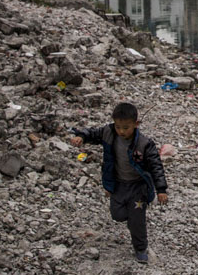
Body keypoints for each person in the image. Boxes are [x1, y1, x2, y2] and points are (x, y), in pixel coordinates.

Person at [71, 102, 168, 263]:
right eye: (118, 127)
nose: (121, 131)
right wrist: (81, 136)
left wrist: (161, 190)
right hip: (118, 184)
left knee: (137, 220)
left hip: (138, 186)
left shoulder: (144, 144)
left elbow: (156, 167)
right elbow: (93, 133)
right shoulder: (109, 133)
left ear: (136, 124)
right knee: (117, 215)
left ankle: (140, 247)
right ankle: (132, 216)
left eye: (126, 127)